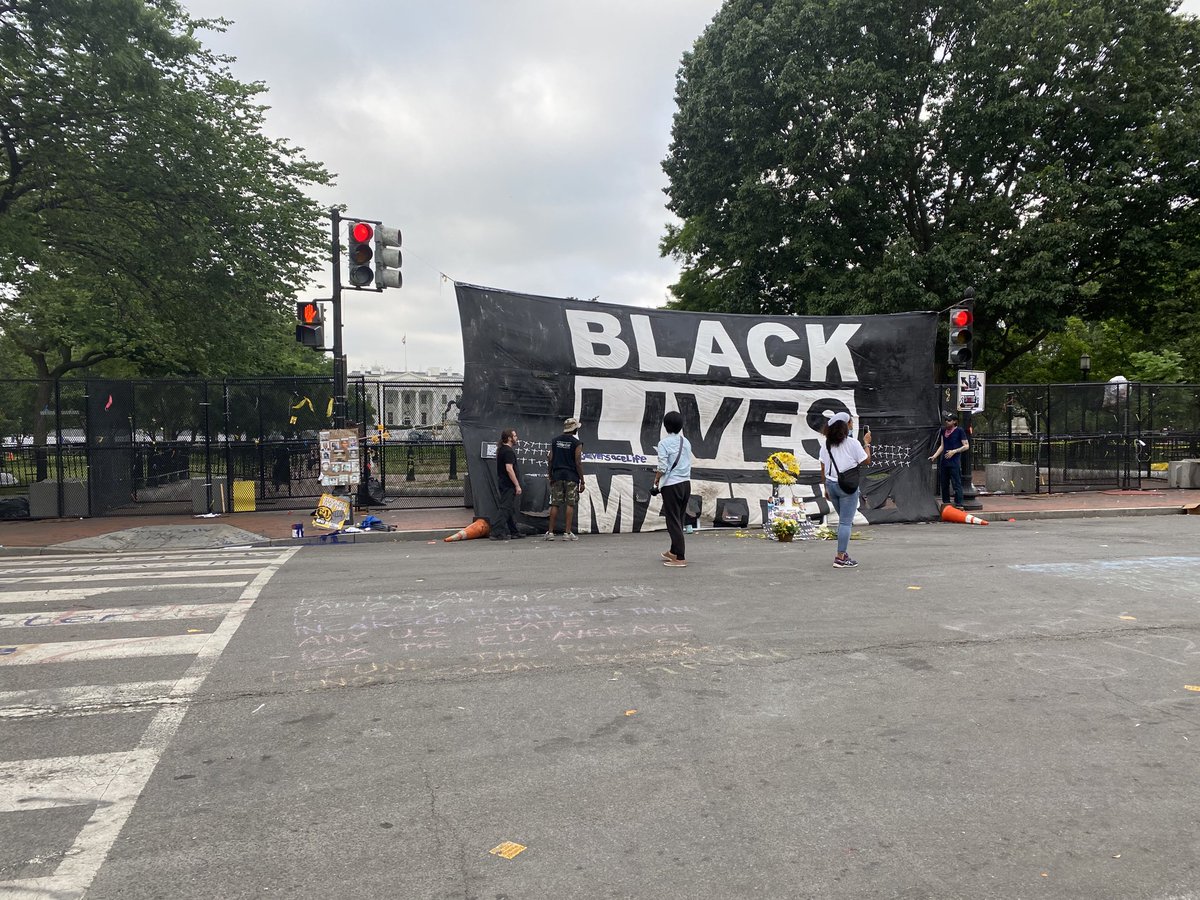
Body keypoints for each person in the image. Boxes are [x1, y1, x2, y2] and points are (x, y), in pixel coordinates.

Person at [819, 411, 871, 569]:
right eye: (850, 423)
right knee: (845, 522)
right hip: (847, 487)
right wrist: (867, 443)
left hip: (832, 486)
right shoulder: (853, 443)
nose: (852, 426)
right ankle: (840, 557)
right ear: (845, 426)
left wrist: (825, 488)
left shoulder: (826, 444)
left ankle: (843, 553)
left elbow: (822, 467)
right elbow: (867, 461)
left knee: (843, 521)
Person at [653, 410, 693, 568]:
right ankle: (673, 551)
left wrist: (656, 480)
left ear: (665, 425)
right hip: (685, 484)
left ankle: (680, 557)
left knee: (672, 521)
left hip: (672, 485)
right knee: (679, 519)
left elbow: (662, 467)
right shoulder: (686, 442)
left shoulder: (663, 443)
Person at [545, 417, 586, 541]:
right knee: (570, 504)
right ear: (574, 429)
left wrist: (550, 475)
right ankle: (567, 534)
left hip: (557, 475)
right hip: (571, 477)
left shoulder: (555, 441)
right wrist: (582, 480)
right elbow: (578, 462)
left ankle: (550, 533)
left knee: (555, 504)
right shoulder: (576, 443)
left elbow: (550, 459)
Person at [929, 412, 969, 508]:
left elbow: (966, 446)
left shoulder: (959, 431)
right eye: (946, 420)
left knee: (956, 483)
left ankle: (959, 503)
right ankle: (946, 503)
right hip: (944, 461)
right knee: (944, 483)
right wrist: (934, 456)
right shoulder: (943, 431)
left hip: (954, 461)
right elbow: (942, 445)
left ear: (955, 421)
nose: (947, 422)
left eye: (949, 420)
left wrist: (954, 451)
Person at [489, 428, 523, 541]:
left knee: (509, 508)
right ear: (509, 438)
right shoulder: (508, 451)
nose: (516, 438)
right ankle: (496, 531)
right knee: (505, 508)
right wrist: (517, 485)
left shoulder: (502, 450)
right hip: (508, 484)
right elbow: (509, 469)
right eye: (515, 436)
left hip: (504, 483)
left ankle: (514, 531)